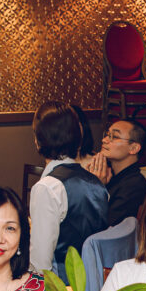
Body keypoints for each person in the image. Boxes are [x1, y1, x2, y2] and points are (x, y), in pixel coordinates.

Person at [28, 101, 109, 280]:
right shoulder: (96, 183)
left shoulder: (47, 188)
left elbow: (40, 264)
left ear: (37, 140)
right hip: (94, 284)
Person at [99, 119, 146, 226]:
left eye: (115, 137)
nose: (104, 140)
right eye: (107, 135)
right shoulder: (109, 176)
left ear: (134, 148)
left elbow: (106, 228)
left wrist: (96, 188)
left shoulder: (134, 186)